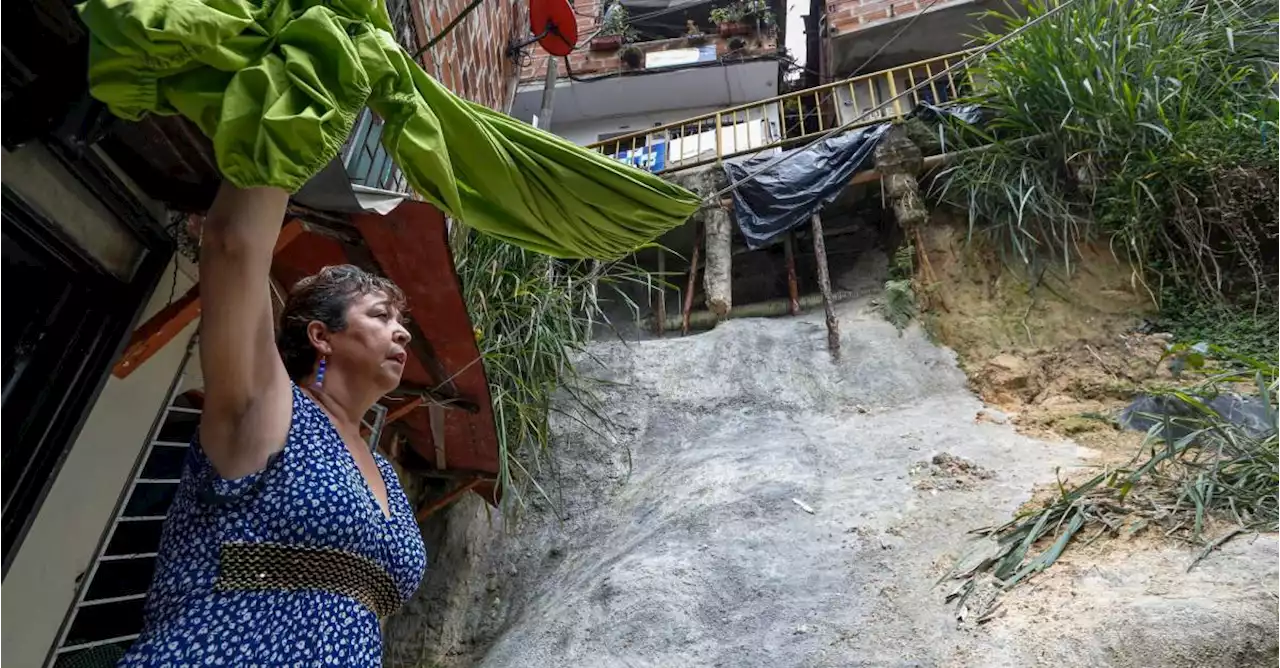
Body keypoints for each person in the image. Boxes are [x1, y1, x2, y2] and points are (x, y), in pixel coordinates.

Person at [120, 184, 427, 666]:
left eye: (400, 320)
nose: (403, 330)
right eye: (381, 315)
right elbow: (233, 244)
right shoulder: (271, 405)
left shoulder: (385, 472)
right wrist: (292, 141)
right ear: (322, 337)